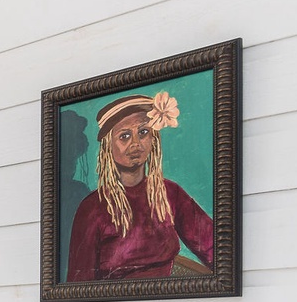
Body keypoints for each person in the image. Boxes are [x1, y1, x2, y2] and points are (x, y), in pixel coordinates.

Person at [66, 91, 213, 282]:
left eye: (143, 132)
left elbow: (213, 245)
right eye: (124, 136)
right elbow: (79, 282)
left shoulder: (169, 193)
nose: (135, 143)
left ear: (153, 139)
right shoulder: (92, 208)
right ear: (108, 147)